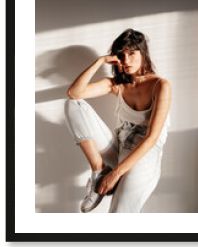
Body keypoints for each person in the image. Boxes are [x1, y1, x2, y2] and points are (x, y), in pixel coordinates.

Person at [64, 28, 171, 213]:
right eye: (121, 55)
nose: (126, 60)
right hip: (119, 150)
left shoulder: (160, 85)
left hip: (144, 158)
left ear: (143, 52)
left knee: (118, 214)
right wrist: (100, 61)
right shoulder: (116, 84)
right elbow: (74, 93)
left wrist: (116, 174)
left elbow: (152, 138)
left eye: (131, 53)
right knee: (73, 104)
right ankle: (99, 170)